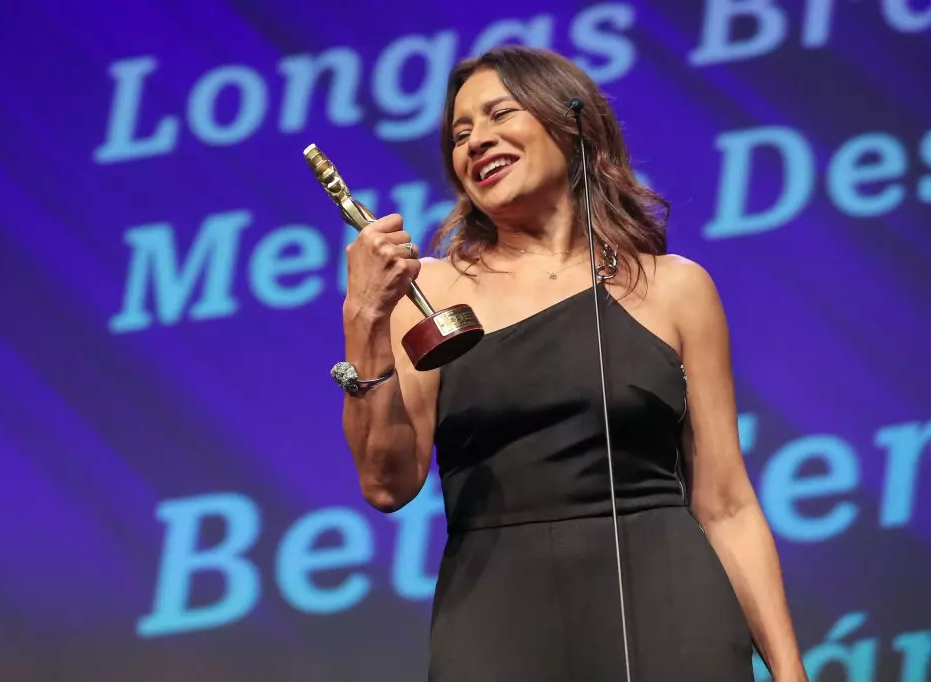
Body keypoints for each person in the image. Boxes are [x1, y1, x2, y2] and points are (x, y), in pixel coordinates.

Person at [333, 45, 807, 682]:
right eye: (460, 134)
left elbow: (726, 504)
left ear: (570, 122)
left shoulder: (675, 288)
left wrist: (789, 671)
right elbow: (386, 485)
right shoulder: (430, 294)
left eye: (500, 114)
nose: (476, 142)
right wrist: (363, 318)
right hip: (498, 621)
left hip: (673, 611)